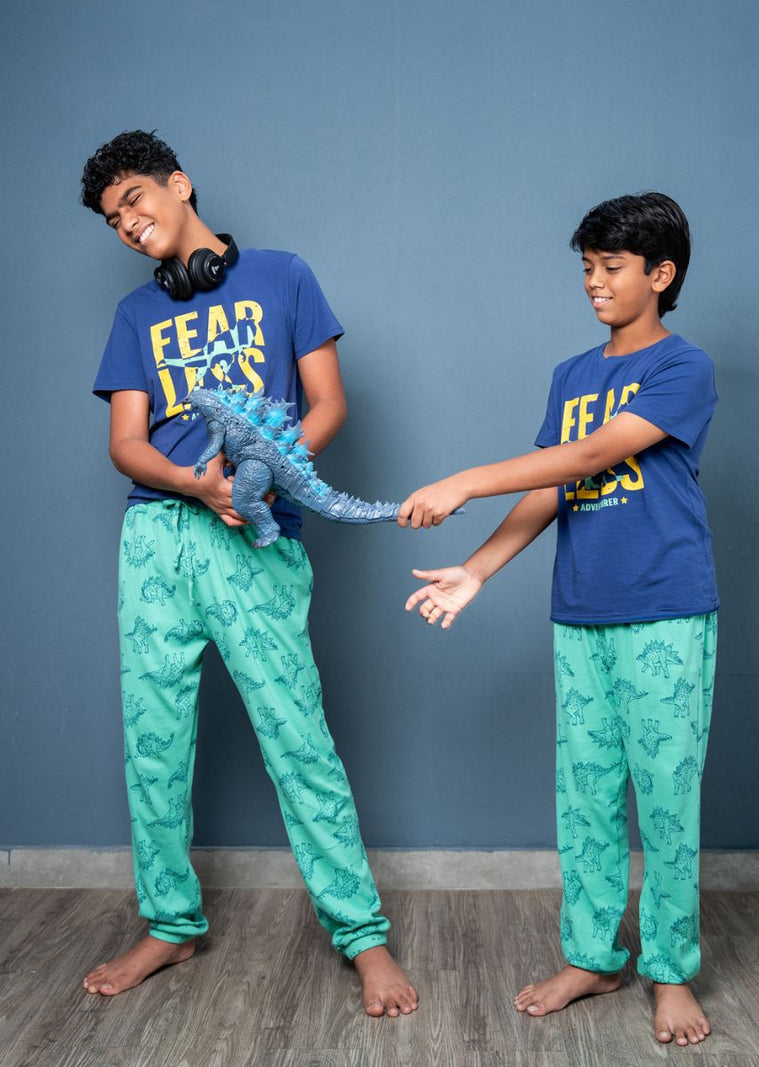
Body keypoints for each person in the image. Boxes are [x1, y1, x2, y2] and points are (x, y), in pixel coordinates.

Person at [80, 129, 417, 1017]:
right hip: (159, 535)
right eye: (114, 220)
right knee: (152, 741)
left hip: (256, 536)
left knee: (295, 734)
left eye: (135, 202)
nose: (127, 223)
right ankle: (169, 920)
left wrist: (255, 478)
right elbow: (125, 443)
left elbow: (330, 401)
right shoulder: (135, 318)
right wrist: (196, 482)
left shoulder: (283, 276)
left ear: (179, 184)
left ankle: (363, 936)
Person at [400, 193, 716, 1047]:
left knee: (667, 798)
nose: (594, 284)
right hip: (580, 613)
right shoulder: (572, 375)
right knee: (584, 796)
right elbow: (553, 485)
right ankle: (590, 953)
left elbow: (589, 455)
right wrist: (475, 569)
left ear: (661, 273)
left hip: (665, 611)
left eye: (612, 268)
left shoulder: (684, 368)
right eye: (586, 268)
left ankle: (671, 969)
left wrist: (464, 479)